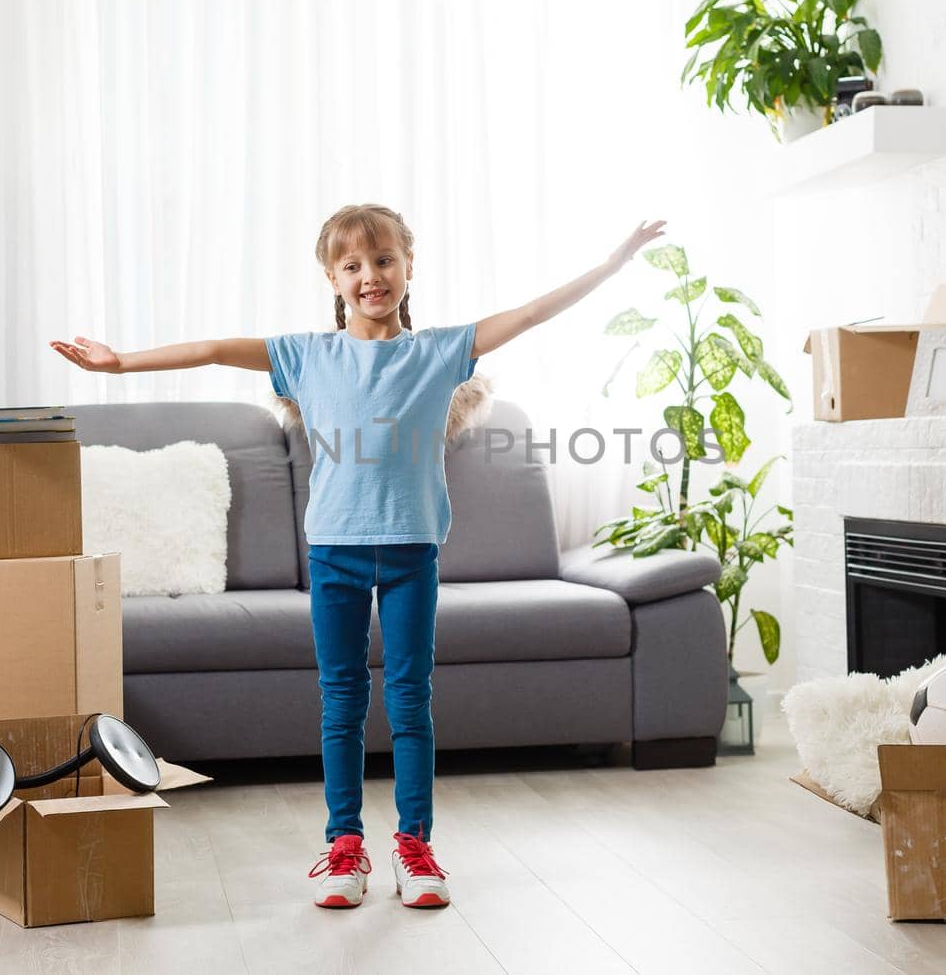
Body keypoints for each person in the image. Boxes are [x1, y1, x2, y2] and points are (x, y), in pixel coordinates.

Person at [51, 203, 666, 909]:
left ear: (408, 265)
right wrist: (120, 362)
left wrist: (612, 264)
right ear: (332, 277)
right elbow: (217, 347)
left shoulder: (440, 351)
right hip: (335, 556)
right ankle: (344, 845)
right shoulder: (307, 354)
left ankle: (414, 845)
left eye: (383, 260)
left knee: (410, 700)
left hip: (410, 555)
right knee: (341, 701)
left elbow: (527, 314)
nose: (370, 276)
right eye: (353, 265)